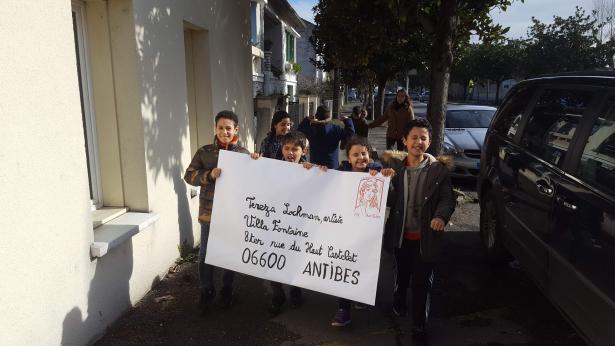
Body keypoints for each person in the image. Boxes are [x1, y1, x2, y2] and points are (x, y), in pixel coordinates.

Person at [382, 118, 455, 341]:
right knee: (402, 276)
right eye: (414, 137)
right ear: (404, 141)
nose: (418, 142)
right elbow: (387, 200)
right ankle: (399, 298)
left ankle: (419, 326)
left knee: (423, 283)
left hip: (426, 239)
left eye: (423, 138)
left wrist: (440, 217)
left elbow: (447, 199)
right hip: (401, 237)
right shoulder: (394, 168)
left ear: (429, 142)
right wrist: (385, 183)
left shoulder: (438, 170)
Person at [250, 131, 326, 317]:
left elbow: (322, 191)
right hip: (274, 224)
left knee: (295, 259)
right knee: (272, 259)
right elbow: (255, 180)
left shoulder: (309, 170)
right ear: (281, 149)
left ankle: (295, 291)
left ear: (303, 150)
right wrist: (252, 161)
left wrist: (319, 172)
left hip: (298, 227)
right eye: (287, 148)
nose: (290, 153)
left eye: (295, 149)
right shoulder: (271, 167)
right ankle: (278, 295)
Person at [183, 110, 250, 315]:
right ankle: (206, 291)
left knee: (229, 253)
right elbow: (189, 176)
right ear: (215, 128)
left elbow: (254, 180)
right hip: (209, 213)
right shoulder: (204, 152)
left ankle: (226, 290)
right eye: (220, 128)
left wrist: (255, 163)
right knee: (205, 255)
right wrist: (209, 175)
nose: (224, 132)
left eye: (228, 128)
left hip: (232, 214)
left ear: (235, 130)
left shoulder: (243, 154)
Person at [331, 136, 395, 327]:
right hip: (343, 230)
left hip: (368, 234)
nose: (360, 158)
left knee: (365, 265)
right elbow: (322, 187)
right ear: (348, 158)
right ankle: (344, 309)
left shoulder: (376, 173)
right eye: (355, 154)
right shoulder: (339, 173)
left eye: (364, 153)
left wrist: (388, 181)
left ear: (370, 154)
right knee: (344, 266)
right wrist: (319, 171)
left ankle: (362, 294)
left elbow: (391, 200)